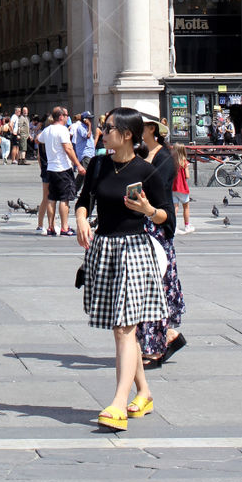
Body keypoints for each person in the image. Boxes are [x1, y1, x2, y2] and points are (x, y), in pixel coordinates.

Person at [75, 107, 170, 432]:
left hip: (134, 251)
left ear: (127, 134)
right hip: (104, 249)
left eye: (108, 128)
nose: (103, 133)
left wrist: (148, 209)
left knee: (124, 329)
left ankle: (117, 403)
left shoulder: (146, 170)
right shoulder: (99, 164)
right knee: (123, 328)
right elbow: (84, 199)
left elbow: (166, 216)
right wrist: (80, 221)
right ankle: (143, 392)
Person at [136, 114, 185, 371]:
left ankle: (156, 347)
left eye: (139, 126)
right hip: (140, 225)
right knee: (144, 291)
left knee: (155, 290)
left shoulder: (164, 157)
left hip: (157, 227)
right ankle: (166, 337)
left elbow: (157, 192)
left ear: (151, 129)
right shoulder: (142, 153)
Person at [38, 106, 85, 236]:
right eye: (66, 115)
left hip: (51, 168)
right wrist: (78, 165)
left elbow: (38, 139)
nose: (67, 118)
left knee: (52, 198)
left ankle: (50, 227)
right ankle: (64, 227)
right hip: (63, 168)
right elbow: (68, 148)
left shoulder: (47, 130)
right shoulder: (62, 130)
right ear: (61, 117)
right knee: (64, 199)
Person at [172, 143, 193, 233]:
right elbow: (187, 176)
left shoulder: (171, 162)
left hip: (173, 188)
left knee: (175, 207)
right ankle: (187, 226)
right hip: (183, 188)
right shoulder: (184, 162)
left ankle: (174, 226)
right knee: (186, 207)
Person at [72, 111, 96, 188]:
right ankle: (75, 189)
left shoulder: (86, 127)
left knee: (85, 173)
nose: (91, 121)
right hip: (85, 154)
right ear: (85, 119)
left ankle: (75, 189)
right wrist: (89, 126)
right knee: (85, 173)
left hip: (90, 153)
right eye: (89, 119)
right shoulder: (81, 127)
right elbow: (87, 136)